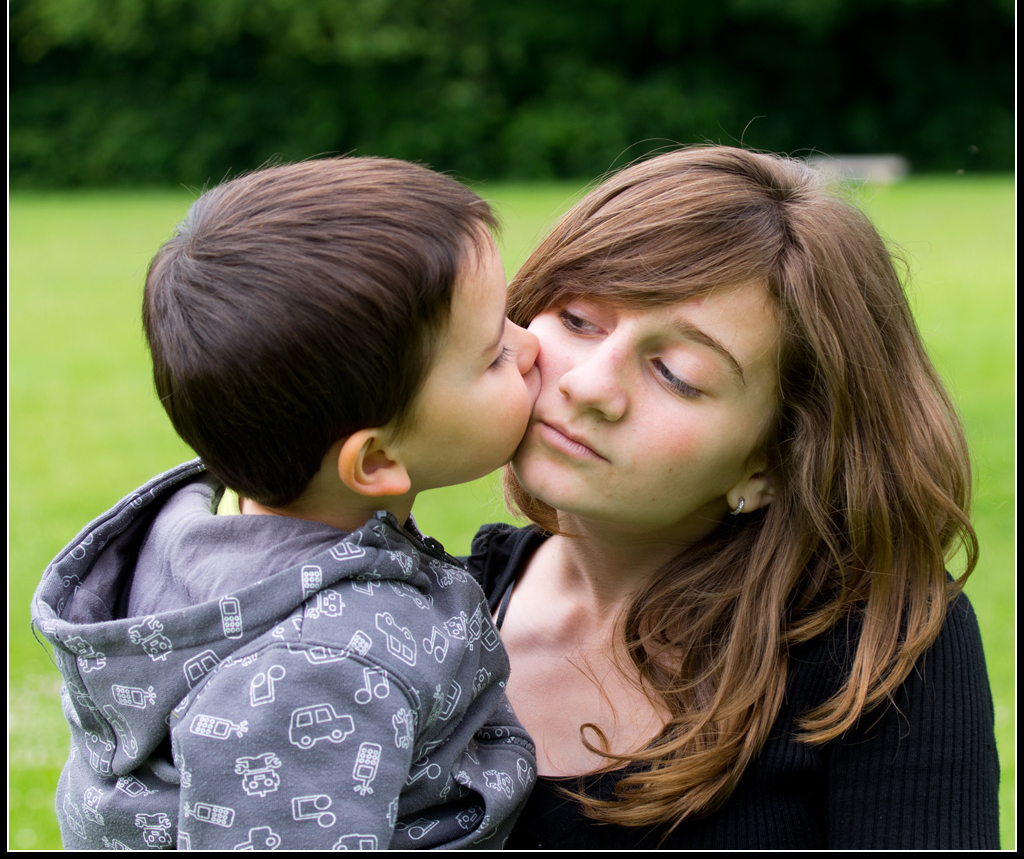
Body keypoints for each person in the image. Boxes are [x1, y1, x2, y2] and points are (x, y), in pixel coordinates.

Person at [468, 146, 1000, 849]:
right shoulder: (424, 610)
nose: (590, 384)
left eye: (677, 373)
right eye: (577, 319)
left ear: (774, 461)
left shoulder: (881, 654)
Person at [31, 157, 540, 850]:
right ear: (377, 461)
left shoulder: (239, 533)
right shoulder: (315, 672)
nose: (532, 344)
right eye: (493, 356)